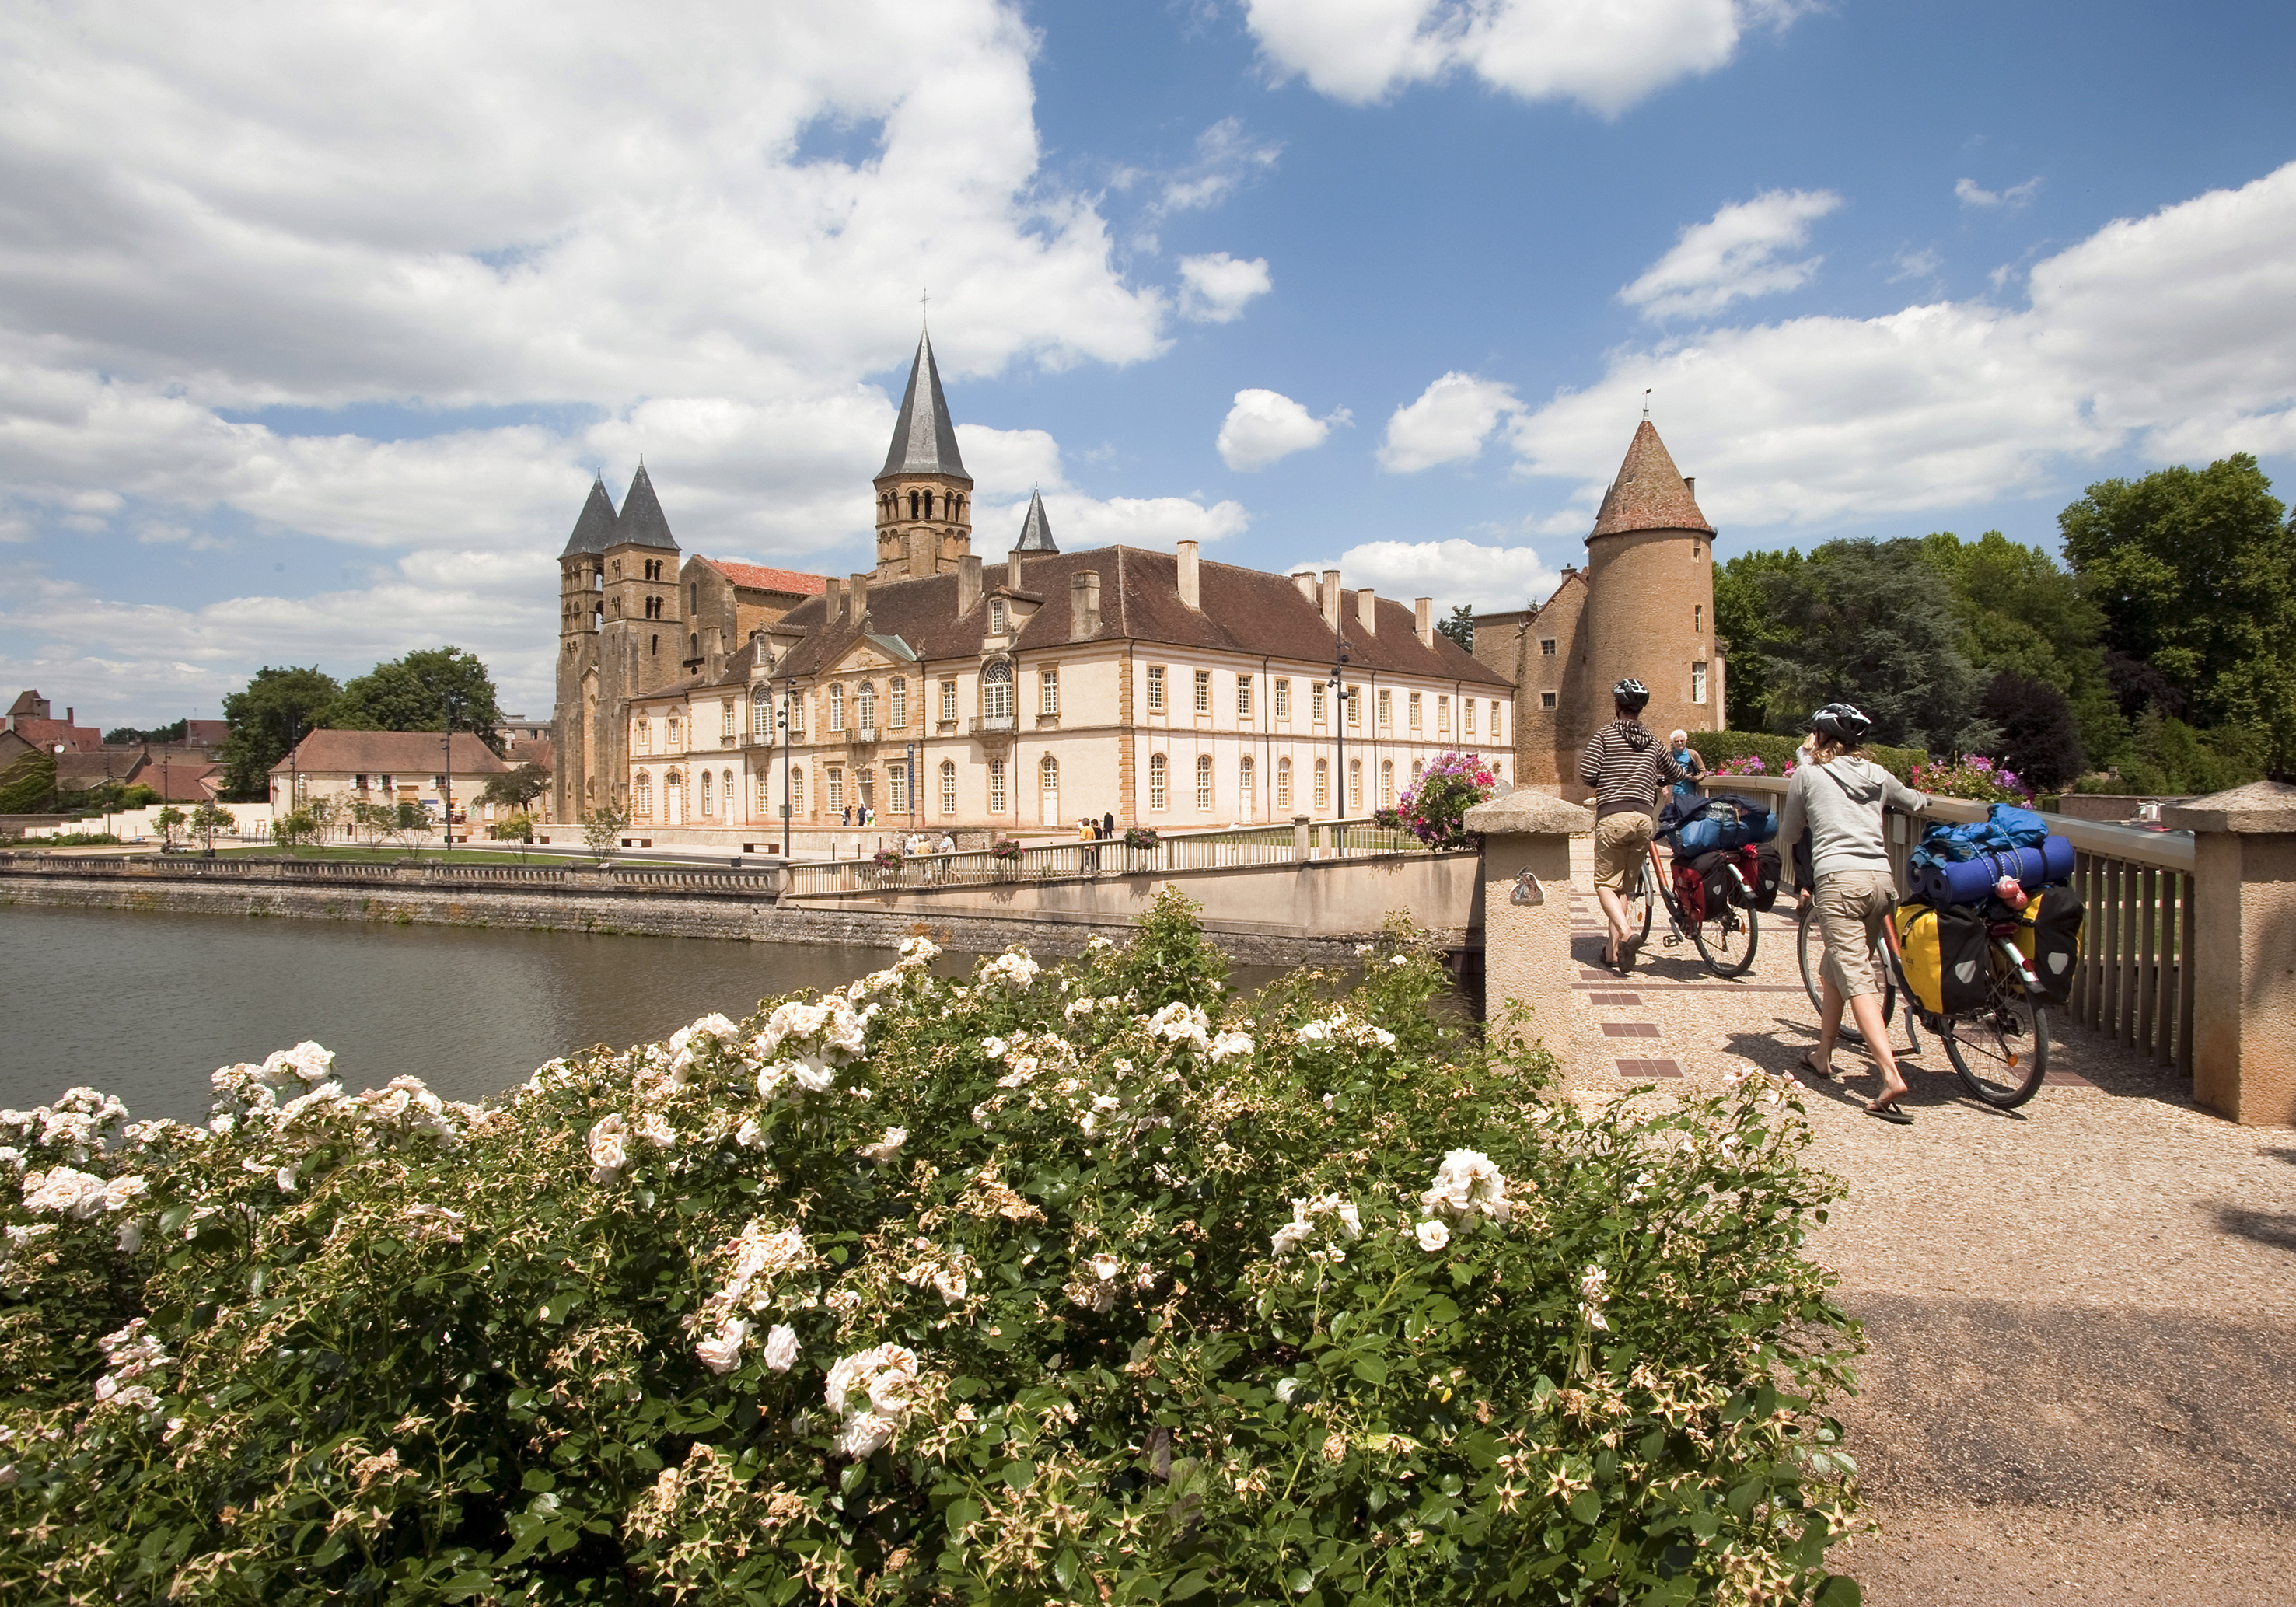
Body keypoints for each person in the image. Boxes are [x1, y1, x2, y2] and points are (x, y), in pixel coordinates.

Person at [1777, 702, 1935, 1123]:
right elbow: (1916, 802)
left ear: (1821, 737)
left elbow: (1789, 833)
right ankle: (1824, 1054)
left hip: (1839, 883)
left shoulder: (1807, 775)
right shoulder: (1878, 775)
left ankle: (1889, 1076)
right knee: (1839, 966)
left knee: (1858, 978)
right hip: (1882, 883)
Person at [1578, 679, 1690, 973]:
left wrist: (1608, 777)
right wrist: (1655, 778)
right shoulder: (1653, 741)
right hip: (1643, 819)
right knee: (1624, 888)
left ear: (1617, 705)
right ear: (1640, 709)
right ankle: (1614, 954)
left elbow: (1587, 773)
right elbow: (1677, 772)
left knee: (1604, 884)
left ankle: (1627, 934)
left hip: (1613, 817)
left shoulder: (1605, 736)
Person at [1666, 728, 1707, 805]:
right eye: (1676, 741)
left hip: (1690, 794)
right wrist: (1665, 787)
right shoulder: (1669, 756)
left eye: (1682, 740)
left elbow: (1703, 772)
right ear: (1673, 743)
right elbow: (1662, 773)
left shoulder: (1693, 754)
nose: (1679, 743)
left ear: (1686, 741)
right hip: (1673, 795)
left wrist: (1694, 778)